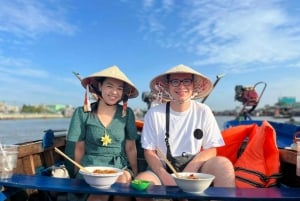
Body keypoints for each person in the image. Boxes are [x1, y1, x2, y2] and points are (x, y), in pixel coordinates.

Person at [135, 64, 235, 200]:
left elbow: (211, 149)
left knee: (224, 165)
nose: (181, 86)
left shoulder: (203, 111)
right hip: (162, 168)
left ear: (194, 86)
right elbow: (149, 151)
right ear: (167, 87)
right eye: (175, 81)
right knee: (142, 183)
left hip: (195, 167)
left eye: (187, 81)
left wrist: (190, 170)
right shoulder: (154, 114)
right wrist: (165, 177)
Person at [65, 65, 139, 201]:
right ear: (100, 86)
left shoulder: (127, 114)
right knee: (100, 190)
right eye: (109, 86)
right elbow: (78, 148)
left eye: (119, 88)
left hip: (119, 166)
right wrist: (76, 174)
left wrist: (135, 173)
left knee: (122, 186)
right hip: (90, 167)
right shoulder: (82, 113)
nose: (114, 92)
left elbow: (131, 147)